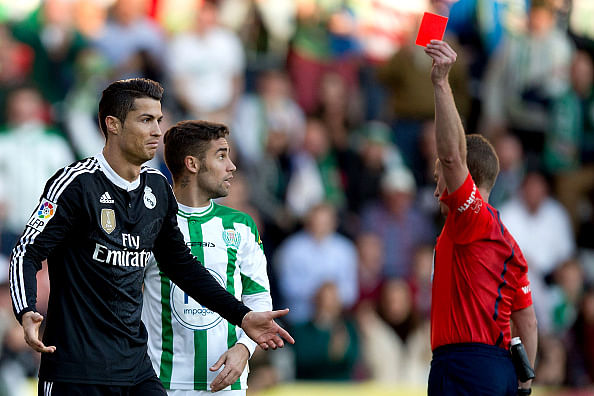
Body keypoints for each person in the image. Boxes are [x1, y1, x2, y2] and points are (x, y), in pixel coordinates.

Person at [8, 78, 293, 396]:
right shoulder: (76, 184)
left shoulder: (157, 187)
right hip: (78, 370)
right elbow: (26, 251)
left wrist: (242, 316)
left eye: (158, 120)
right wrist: (26, 308)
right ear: (113, 125)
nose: (158, 131)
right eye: (146, 120)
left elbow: (182, 265)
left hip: (135, 369)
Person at [425, 40, 538, 396]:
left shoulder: (469, 219)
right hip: (499, 371)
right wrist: (524, 383)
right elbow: (528, 323)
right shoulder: (509, 243)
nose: (436, 188)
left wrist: (442, 83)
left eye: (439, 179)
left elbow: (452, 158)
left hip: (464, 369)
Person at [142, 119, 272, 395]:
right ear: (193, 164)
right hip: (161, 383)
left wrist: (244, 349)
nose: (232, 166)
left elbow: (258, 296)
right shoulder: (149, 224)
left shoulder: (241, 225)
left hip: (228, 382)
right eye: (222, 156)